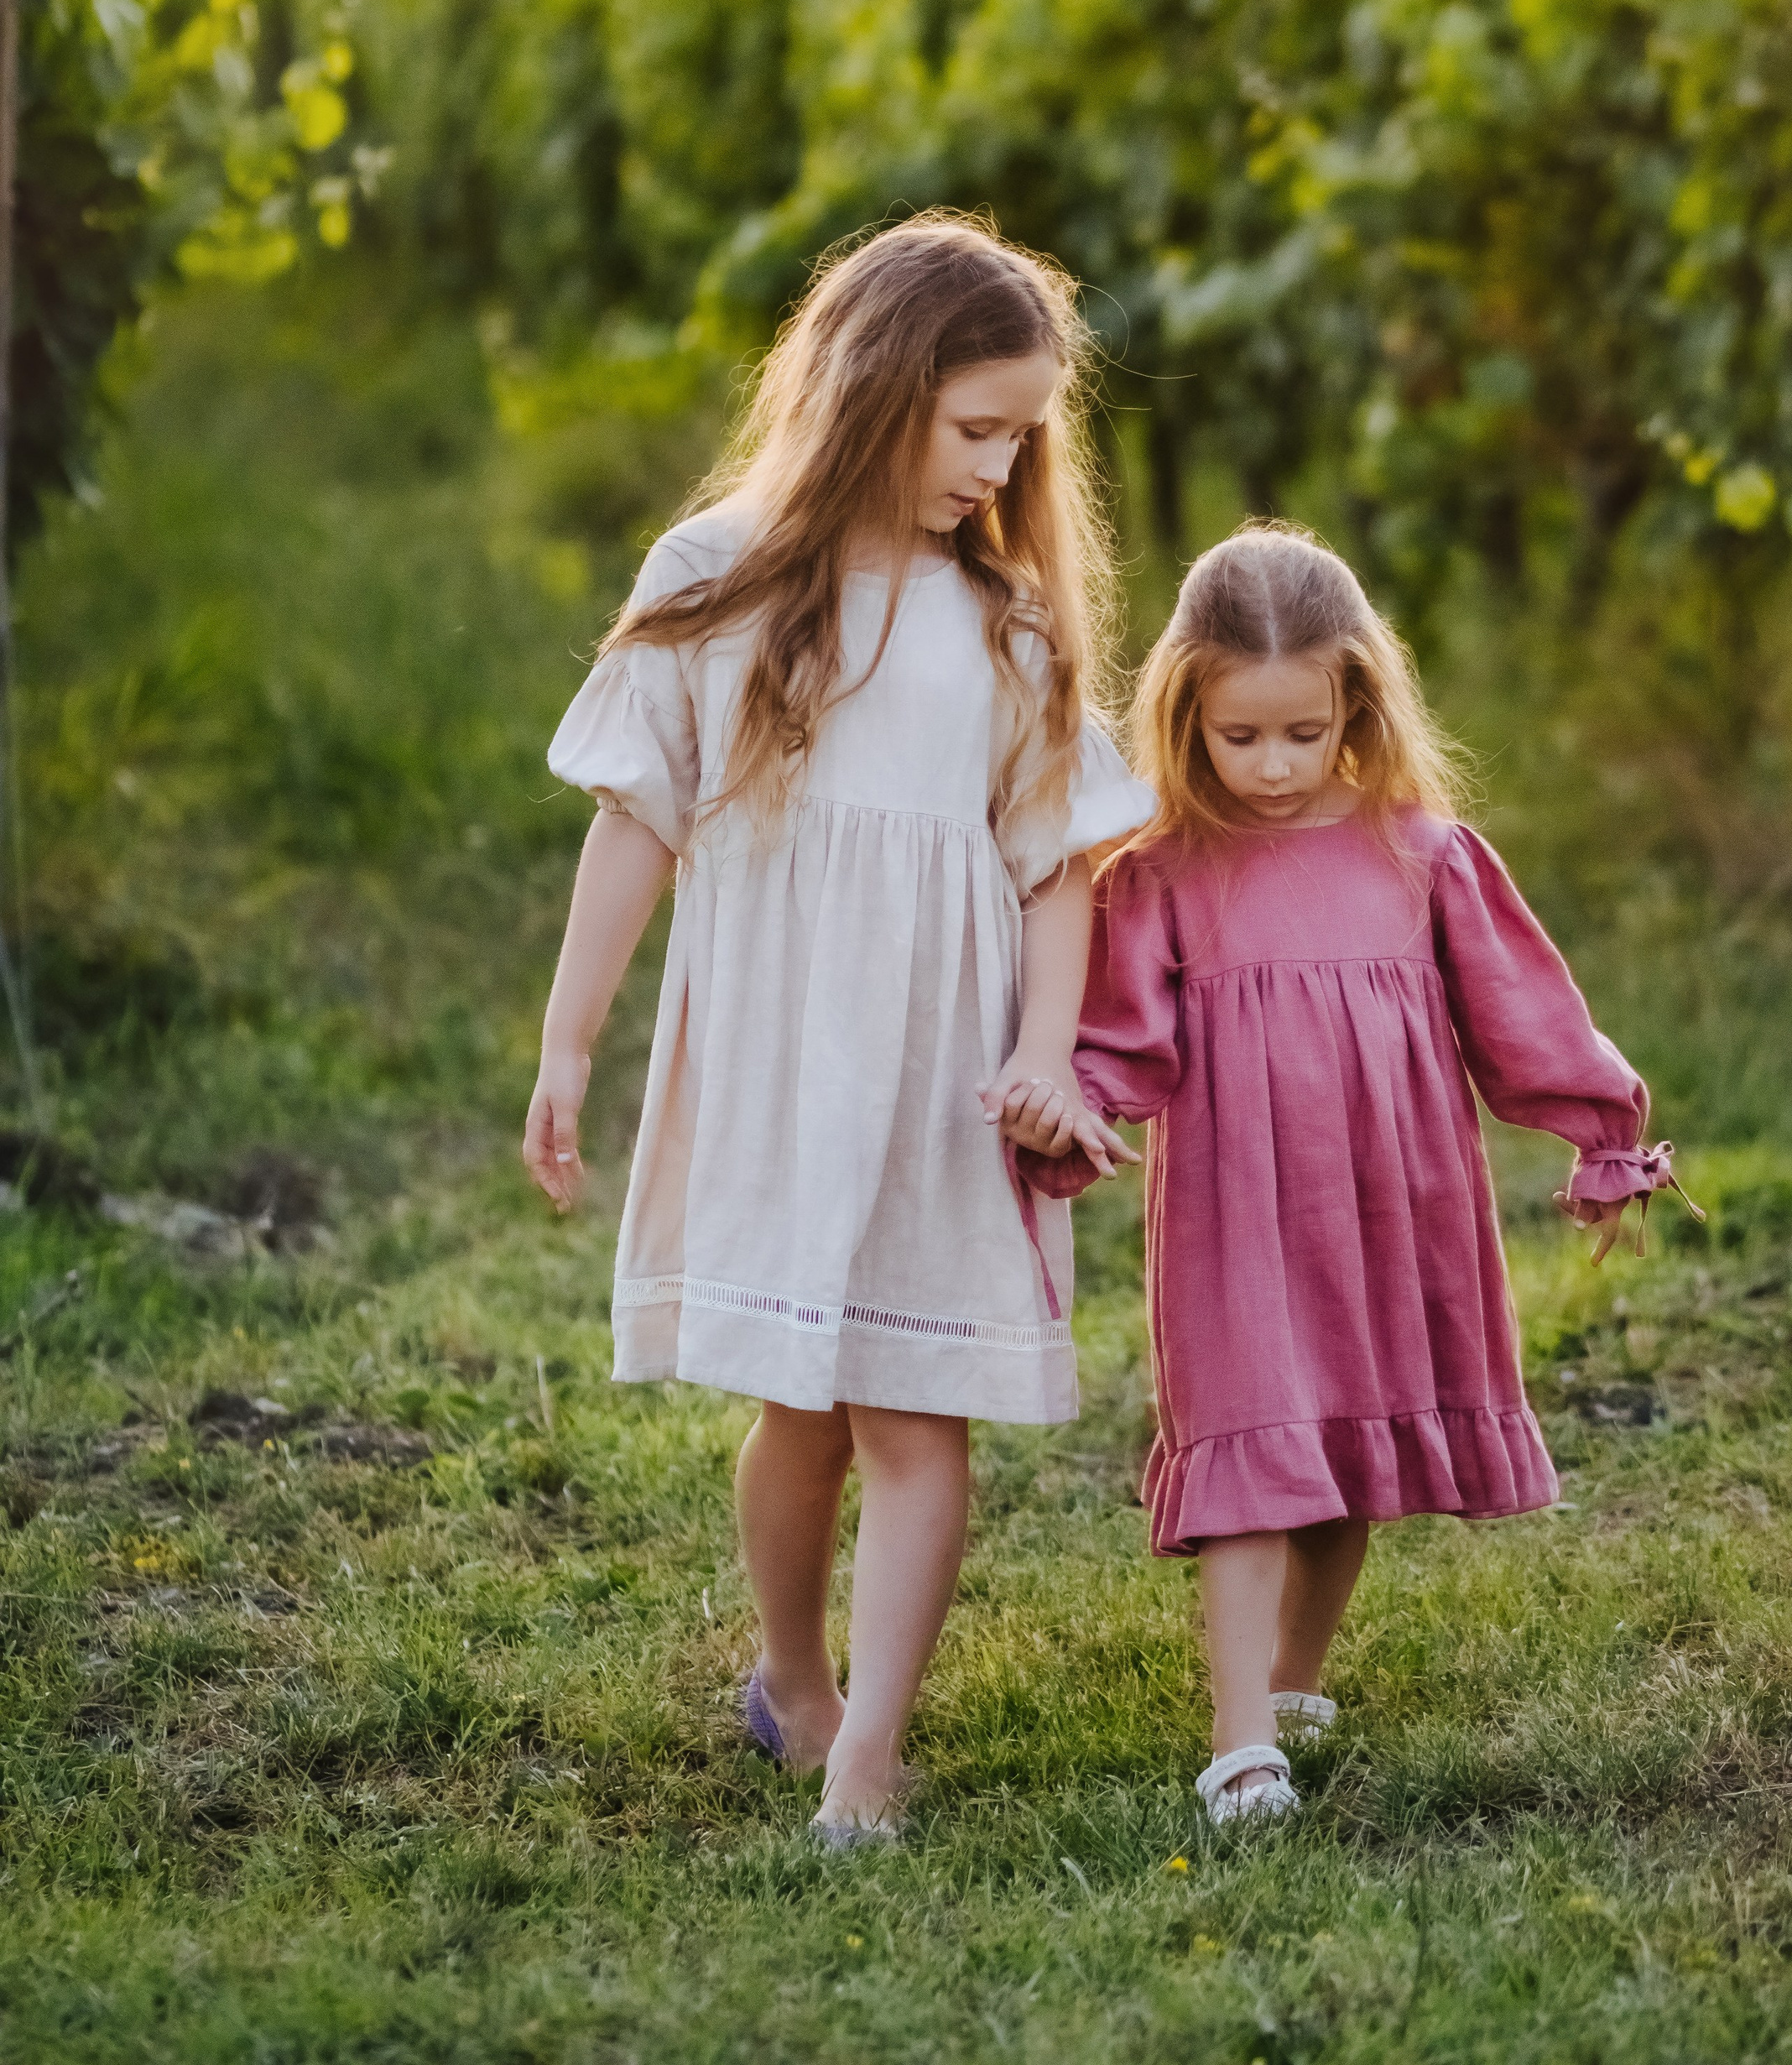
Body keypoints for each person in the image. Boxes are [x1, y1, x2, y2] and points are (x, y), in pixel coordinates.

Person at [523, 216, 1144, 1844]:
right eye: (974, 427)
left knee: (910, 1410)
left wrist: (1045, 1050)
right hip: (783, 1058)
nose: (999, 466)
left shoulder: (1002, 622)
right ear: (877, 390)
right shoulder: (713, 577)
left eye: (1023, 435)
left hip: (943, 1076)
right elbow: (634, 817)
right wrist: (569, 1042)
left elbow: (1056, 866)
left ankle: (866, 1755)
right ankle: (792, 1679)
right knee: (797, 1407)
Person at [1007, 524, 1680, 1829]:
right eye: (1237, 736)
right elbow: (1123, 1040)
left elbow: (1522, 1014)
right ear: (1186, 714)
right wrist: (1066, 1112)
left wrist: (1604, 1127)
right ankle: (1240, 1742)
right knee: (1257, 1435)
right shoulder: (1158, 871)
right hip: (1233, 1210)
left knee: (1345, 1444)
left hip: (1391, 1195)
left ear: (1354, 706)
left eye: (1302, 733)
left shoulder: (1421, 853)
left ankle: (1295, 1680)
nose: (1271, 765)